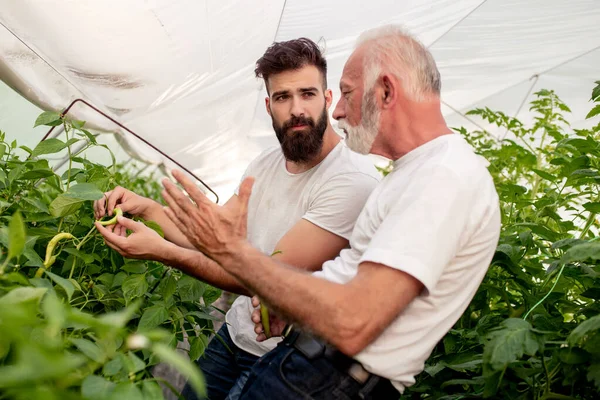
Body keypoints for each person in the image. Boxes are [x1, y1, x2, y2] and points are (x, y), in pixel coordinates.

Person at [152, 24, 502, 399]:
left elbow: (355, 320)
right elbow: (359, 285)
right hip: (309, 365)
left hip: (327, 380)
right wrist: (296, 307)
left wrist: (229, 251)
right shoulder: (418, 172)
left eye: (346, 94)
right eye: (283, 96)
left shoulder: (441, 177)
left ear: (386, 91)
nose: (336, 111)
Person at [94, 37, 380, 400]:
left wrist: (161, 250)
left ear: (326, 99)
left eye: (307, 94)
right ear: (268, 105)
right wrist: (148, 209)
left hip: (286, 360)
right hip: (235, 335)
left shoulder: (351, 182)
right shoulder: (266, 163)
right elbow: (212, 235)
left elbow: (263, 280)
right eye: (282, 97)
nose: (296, 109)